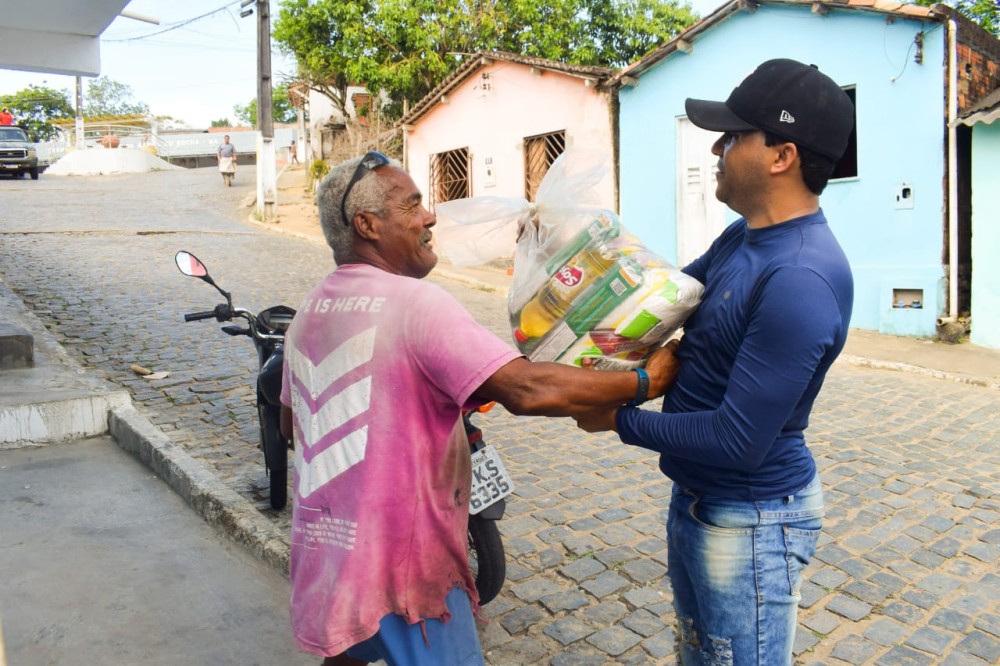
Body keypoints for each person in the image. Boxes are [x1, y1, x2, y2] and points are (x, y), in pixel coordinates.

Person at [279, 151, 681, 665]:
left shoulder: (310, 310)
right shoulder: (415, 304)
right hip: (404, 569)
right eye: (413, 205)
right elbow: (526, 389)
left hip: (329, 560)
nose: (430, 217)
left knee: (347, 657)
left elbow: (294, 425)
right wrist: (643, 382)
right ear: (368, 225)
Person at [575, 58, 855, 664]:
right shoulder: (743, 236)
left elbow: (737, 439)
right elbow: (661, 301)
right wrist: (573, 267)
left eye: (732, 137)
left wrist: (617, 418)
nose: (716, 151)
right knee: (700, 656)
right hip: (699, 500)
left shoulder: (800, 277)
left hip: (752, 523)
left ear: (781, 156)